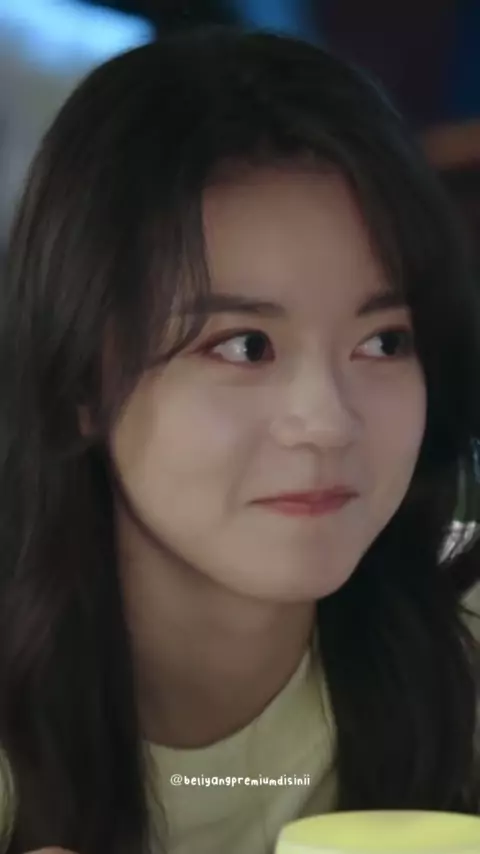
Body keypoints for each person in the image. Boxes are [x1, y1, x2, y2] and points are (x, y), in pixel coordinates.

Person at [0, 25, 479, 854]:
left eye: (383, 341)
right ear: (79, 381)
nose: (328, 420)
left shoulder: (458, 636)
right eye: (244, 347)